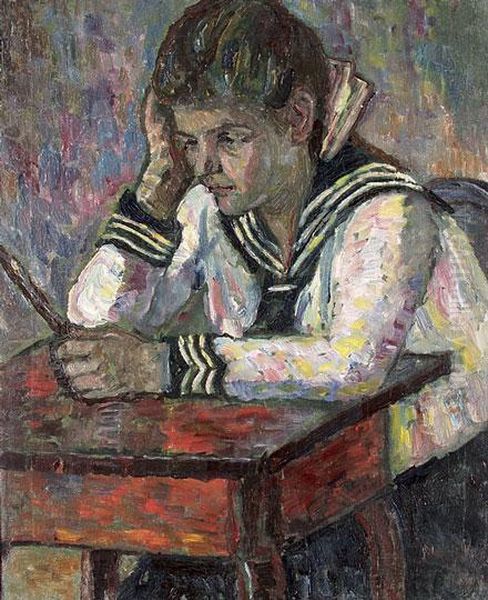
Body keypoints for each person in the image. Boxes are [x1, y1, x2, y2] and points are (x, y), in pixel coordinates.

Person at [58, 0, 488, 483]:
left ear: (298, 119)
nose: (203, 165)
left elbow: (352, 366)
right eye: (190, 141)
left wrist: (162, 366)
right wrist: (153, 195)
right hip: (305, 460)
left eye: (229, 139)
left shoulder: (389, 211)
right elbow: (93, 325)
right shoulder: (210, 208)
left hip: (435, 463)